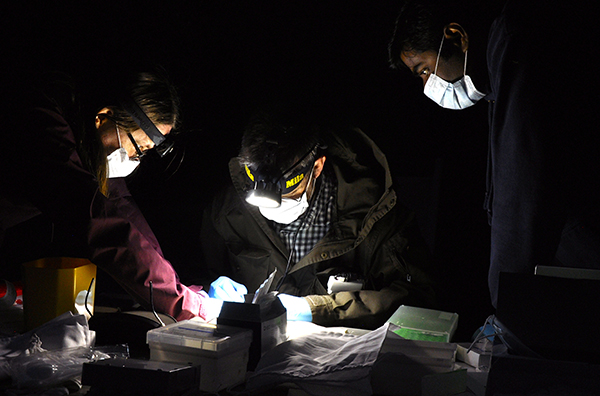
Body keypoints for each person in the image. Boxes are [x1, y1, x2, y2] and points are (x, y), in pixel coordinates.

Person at [388, 0, 600, 307]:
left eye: (423, 70)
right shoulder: (495, 72)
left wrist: (508, 307)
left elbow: (520, 187)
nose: (426, 86)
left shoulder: (514, 40)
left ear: (456, 37)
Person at [0, 68, 208, 321]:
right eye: (138, 148)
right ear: (104, 117)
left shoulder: (88, 142)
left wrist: (175, 287)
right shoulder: (43, 127)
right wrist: (178, 301)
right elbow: (99, 221)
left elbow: (122, 210)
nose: (135, 159)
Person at [200, 108, 436, 329]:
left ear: (316, 168)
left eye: (286, 191)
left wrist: (318, 309)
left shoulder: (373, 214)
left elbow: (417, 297)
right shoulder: (228, 210)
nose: (272, 201)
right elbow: (193, 280)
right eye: (260, 187)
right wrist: (209, 292)